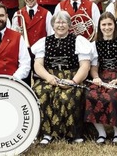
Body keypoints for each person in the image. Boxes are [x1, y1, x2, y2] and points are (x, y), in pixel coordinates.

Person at [31, 10, 92, 145]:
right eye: (58, 22)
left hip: (72, 76)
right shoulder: (44, 42)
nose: (60, 25)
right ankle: (47, 133)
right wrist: (48, 77)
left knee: (69, 97)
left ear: (69, 25)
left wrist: (73, 81)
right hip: (50, 77)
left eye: (64, 22)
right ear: (53, 25)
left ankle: (73, 133)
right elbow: (38, 65)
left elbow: (85, 66)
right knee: (41, 93)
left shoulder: (79, 41)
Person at [85, 12, 117, 144]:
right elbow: (94, 67)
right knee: (90, 95)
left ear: (114, 26)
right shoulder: (94, 44)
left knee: (114, 96)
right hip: (102, 77)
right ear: (99, 26)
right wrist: (96, 78)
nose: (107, 27)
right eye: (104, 25)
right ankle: (101, 133)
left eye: (109, 24)